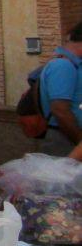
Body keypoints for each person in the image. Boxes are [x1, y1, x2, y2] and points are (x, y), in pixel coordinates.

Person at [37, 21, 82, 159]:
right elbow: (60, 110)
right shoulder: (63, 66)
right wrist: (79, 142)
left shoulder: (71, 64)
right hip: (64, 139)